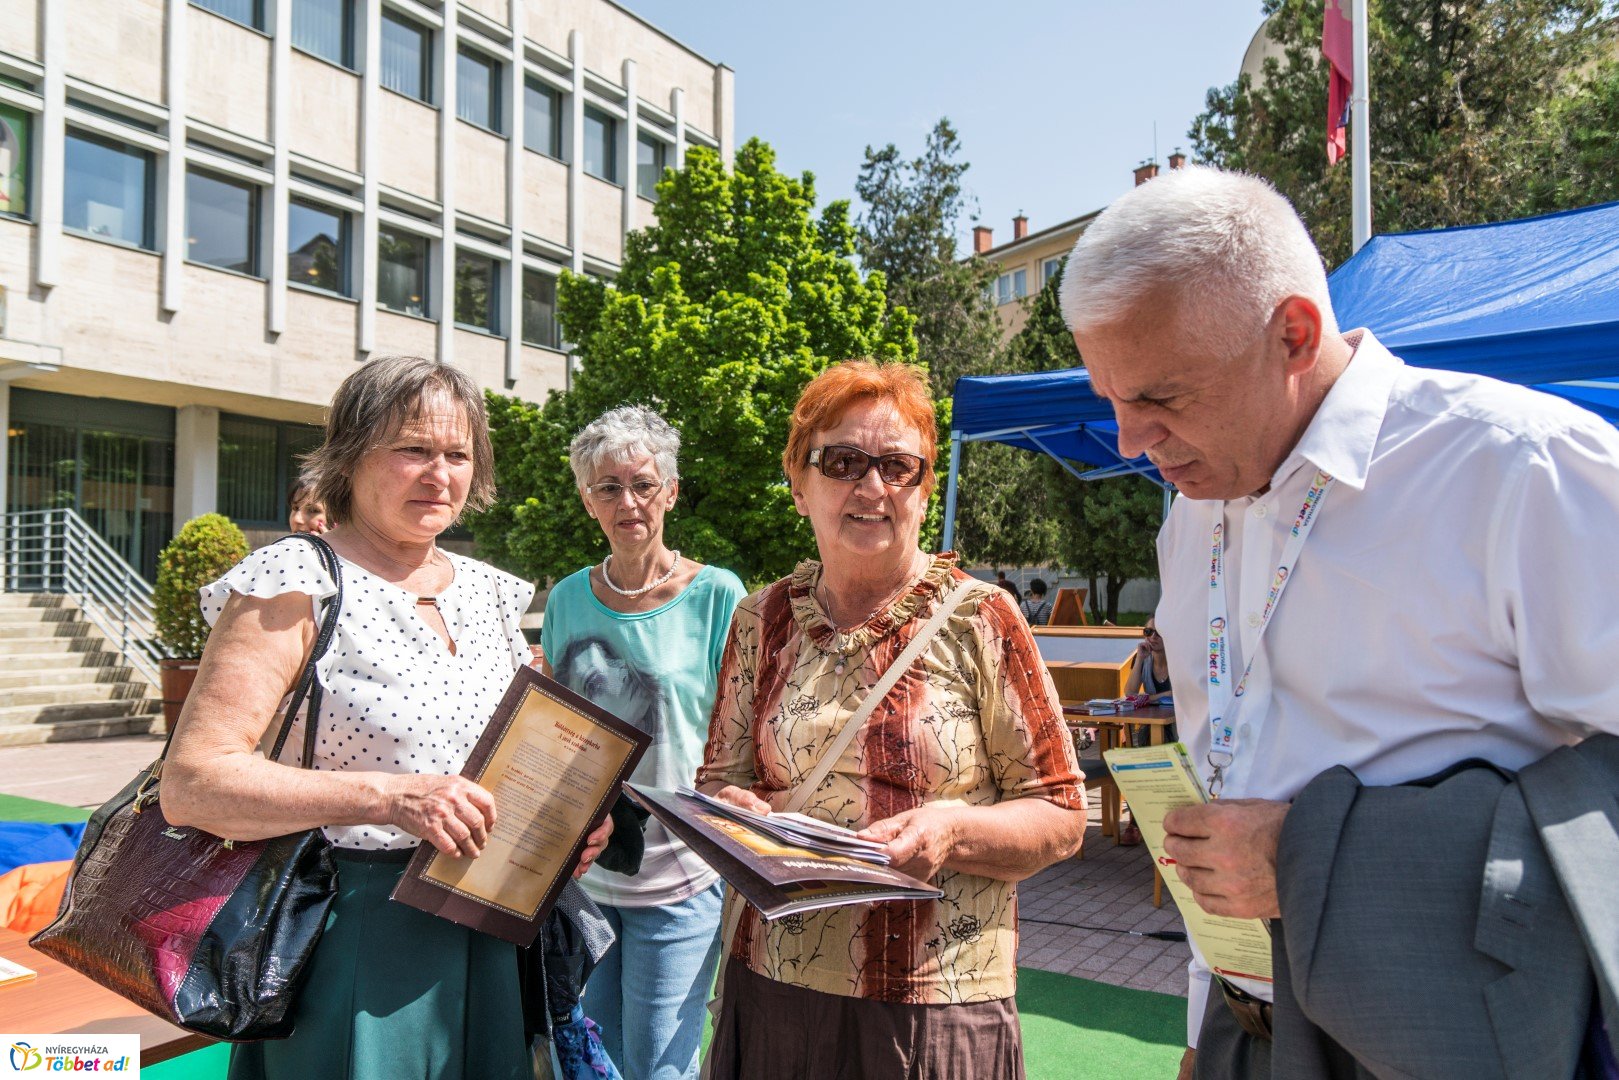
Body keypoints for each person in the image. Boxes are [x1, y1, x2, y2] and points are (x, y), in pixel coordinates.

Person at [1058, 164, 1619, 1078]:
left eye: (1159, 398)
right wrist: (1209, 1026)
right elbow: (1223, 776)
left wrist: (1328, 860)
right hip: (1257, 1036)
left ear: (1292, 332)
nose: (1128, 441)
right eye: (1107, 400)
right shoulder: (1190, 513)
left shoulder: (1521, 469)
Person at [161, 355, 612, 1080]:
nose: (439, 474)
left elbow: (517, 754)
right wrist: (390, 797)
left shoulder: (492, 594)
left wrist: (568, 822)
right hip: (355, 934)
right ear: (349, 454)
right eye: (412, 449)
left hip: (492, 925)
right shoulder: (295, 578)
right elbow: (192, 784)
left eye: (457, 454)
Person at [696, 360, 1088, 1079]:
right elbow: (720, 784)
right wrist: (735, 814)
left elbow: (1062, 813)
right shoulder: (761, 618)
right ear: (798, 481)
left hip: (935, 999)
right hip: (774, 985)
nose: (870, 487)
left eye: (897, 466)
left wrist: (951, 829)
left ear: (925, 485)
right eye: (842, 461)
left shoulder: (983, 617)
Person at [540, 405, 746, 1080]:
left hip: (680, 872)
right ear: (586, 500)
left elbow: (737, 735)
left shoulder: (717, 595)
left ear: (671, 492)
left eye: (642, 484)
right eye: (608, 487)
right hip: (585, 872)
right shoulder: (568, 598)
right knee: (596, 1059)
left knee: (661, 1064)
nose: (627, 501)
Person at [1124, 617, 1170, 702]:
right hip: (1152, 714)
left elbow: (1182, 695)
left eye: (1159, 632)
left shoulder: (1179, 660)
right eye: (1148, 632)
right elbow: (1130, 694)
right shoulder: (1142, 658)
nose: (1153, 636)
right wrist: (1139, 658)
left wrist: (1146, 699)